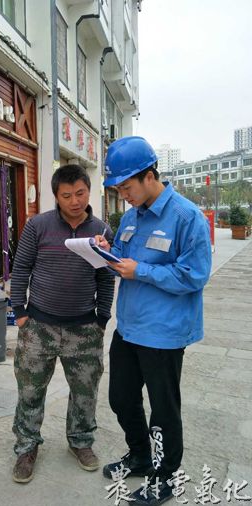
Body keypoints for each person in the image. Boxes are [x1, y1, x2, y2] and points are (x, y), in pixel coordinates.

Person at [95, 136, 212, 505]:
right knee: (120, 398)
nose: (123, 194)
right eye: (118, 188)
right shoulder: (129, 218)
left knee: (163, 409)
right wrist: (104, 251)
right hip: (128, 327)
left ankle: (164, 477)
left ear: (149, 176)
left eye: (126, 186)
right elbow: (121, 261)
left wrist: (141, 270)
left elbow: (195, 275)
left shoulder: (185, 217)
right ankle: (140, 456)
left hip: (163, 333)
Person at [10, 164, 115, 483]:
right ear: (56, 196)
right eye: (67, 195)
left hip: (84, 329)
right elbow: (21, 268)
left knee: (85, 391)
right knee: (30, 389)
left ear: (88, 191)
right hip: (39, 326)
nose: (74, 201)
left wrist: (101, 318)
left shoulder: (101, 230)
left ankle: (81, 442)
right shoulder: (38, 226)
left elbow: (105, 277)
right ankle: (27, 446)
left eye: (80, 193)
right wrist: (21, 313)